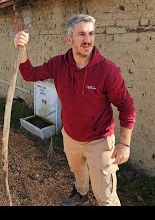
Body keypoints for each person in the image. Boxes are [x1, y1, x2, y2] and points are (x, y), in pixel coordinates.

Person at [14, 14, 136, 206]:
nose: (87, 39)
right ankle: (81, 196)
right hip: (70, 136)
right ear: (69, 39)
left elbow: (126, 105)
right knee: (78, 172)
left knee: (106, 196)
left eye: (91, 34)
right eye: (81, 34)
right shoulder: (58, 64)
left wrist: (124, 144)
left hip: (100, 141)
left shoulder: (107, 70)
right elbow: (30, 74)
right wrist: (22, 50)